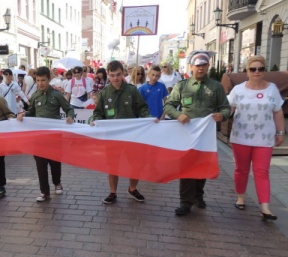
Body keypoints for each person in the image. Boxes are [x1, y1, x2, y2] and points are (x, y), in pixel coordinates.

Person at [164, 50, 231, 216]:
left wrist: (222, 115)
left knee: (202, 166)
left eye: (204, 65)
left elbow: (226, 107)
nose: (200, 68)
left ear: (208, 66)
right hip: (186, 134)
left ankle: (198, 196)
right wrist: (178, 114)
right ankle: (185, 202)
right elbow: (168, 105)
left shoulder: (215, 87)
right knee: (186, 167)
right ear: (191, 66)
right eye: (197, 65)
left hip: (206, 134)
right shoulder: (182, 86)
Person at [227, 55, 285, 221]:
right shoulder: (238, 89)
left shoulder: (272, 89)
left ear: (264, 71)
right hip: (241, 136)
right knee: (242, 169)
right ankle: (241, 197)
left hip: (264, 137)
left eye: (261, 69)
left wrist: (280, 132)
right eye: (253, 69)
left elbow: (278, 111)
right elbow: (229, 108)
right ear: (248, 71)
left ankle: (265, 208)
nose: (257, 72)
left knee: (262, 172)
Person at [91, 60, 153, 204]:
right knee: (113, 166)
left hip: (132, 136)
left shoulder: (132, 91)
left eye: (118, 74)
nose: (116, 78)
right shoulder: (105, 93)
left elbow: (142, 108)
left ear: (123, 73)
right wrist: (96, 120)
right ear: (108, 75)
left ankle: (132, 188)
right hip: (112, 137)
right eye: (112, 75)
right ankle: (113, 192)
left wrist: (148, 119)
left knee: (135, 165)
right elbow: (98, 112)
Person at [17, 66, 75, 202]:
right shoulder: (35, 96)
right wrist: (24, 113)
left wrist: (70, 116)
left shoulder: (57, 95)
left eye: (43, 80)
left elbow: (69, 108)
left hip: (54, 136)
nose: (40, 83)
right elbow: (31, 112)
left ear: (49, 80)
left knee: (55, 163)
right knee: (40, 165)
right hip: (39, 137)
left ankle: (57, 182)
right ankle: (44, 191)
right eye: (38, 80)